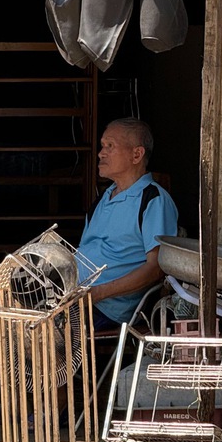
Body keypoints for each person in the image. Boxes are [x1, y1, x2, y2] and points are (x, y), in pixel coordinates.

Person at [78, 118, 179, 330]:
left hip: (105, 307)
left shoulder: (152, 200)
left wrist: (99, 293)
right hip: (73, 297)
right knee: (3, 310)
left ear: (136, 154)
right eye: (102, 146)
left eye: (110, 146)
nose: (100, 153)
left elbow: (156, 268)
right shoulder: (103, 199)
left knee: (29, 331)